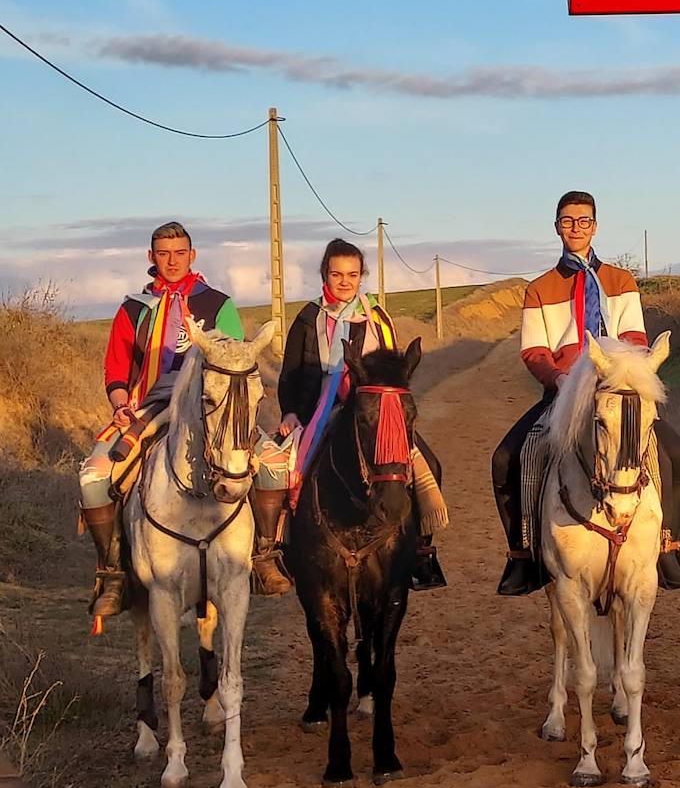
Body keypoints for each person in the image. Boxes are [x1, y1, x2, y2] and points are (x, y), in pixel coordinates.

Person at [492, 190, 680, 596]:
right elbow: (533, 349)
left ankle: (667, 544)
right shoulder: (540, 288)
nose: (576, 228)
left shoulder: (621, 281)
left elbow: (635, 337)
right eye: (568, 221)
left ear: (595, 226)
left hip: (616, 391)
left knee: (676, 455)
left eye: (584, 221)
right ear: (557, 228)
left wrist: (617, 373)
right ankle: (522, 555)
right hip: (564, 392)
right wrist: (559, 379)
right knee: (509, 458)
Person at [77, 222, 249, 619]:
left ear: (193, 255)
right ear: (151, 257)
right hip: (147, 408)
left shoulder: (217, 304)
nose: (172, 261)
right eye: (163, 253)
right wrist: (121, 404)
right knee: (94, 479)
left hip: (210, 409)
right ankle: (114, 572)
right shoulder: (133, 308)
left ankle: (261, 558)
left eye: (179, 253)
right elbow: (117, 371)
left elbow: (237, 359)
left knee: (266, 466)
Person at [273, 239, 448, 591]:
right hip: (316, 410)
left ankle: (421, 551)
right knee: (275, 471)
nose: (344, 282)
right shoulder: (309, 318)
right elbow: (291, 373)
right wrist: (291, 412)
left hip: (372, 412)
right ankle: (277, 551)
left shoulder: (377, 317)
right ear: (325, 274)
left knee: (428, 462)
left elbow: (392, 367)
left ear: (361, 276)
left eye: (352, 275)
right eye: (337, 274)